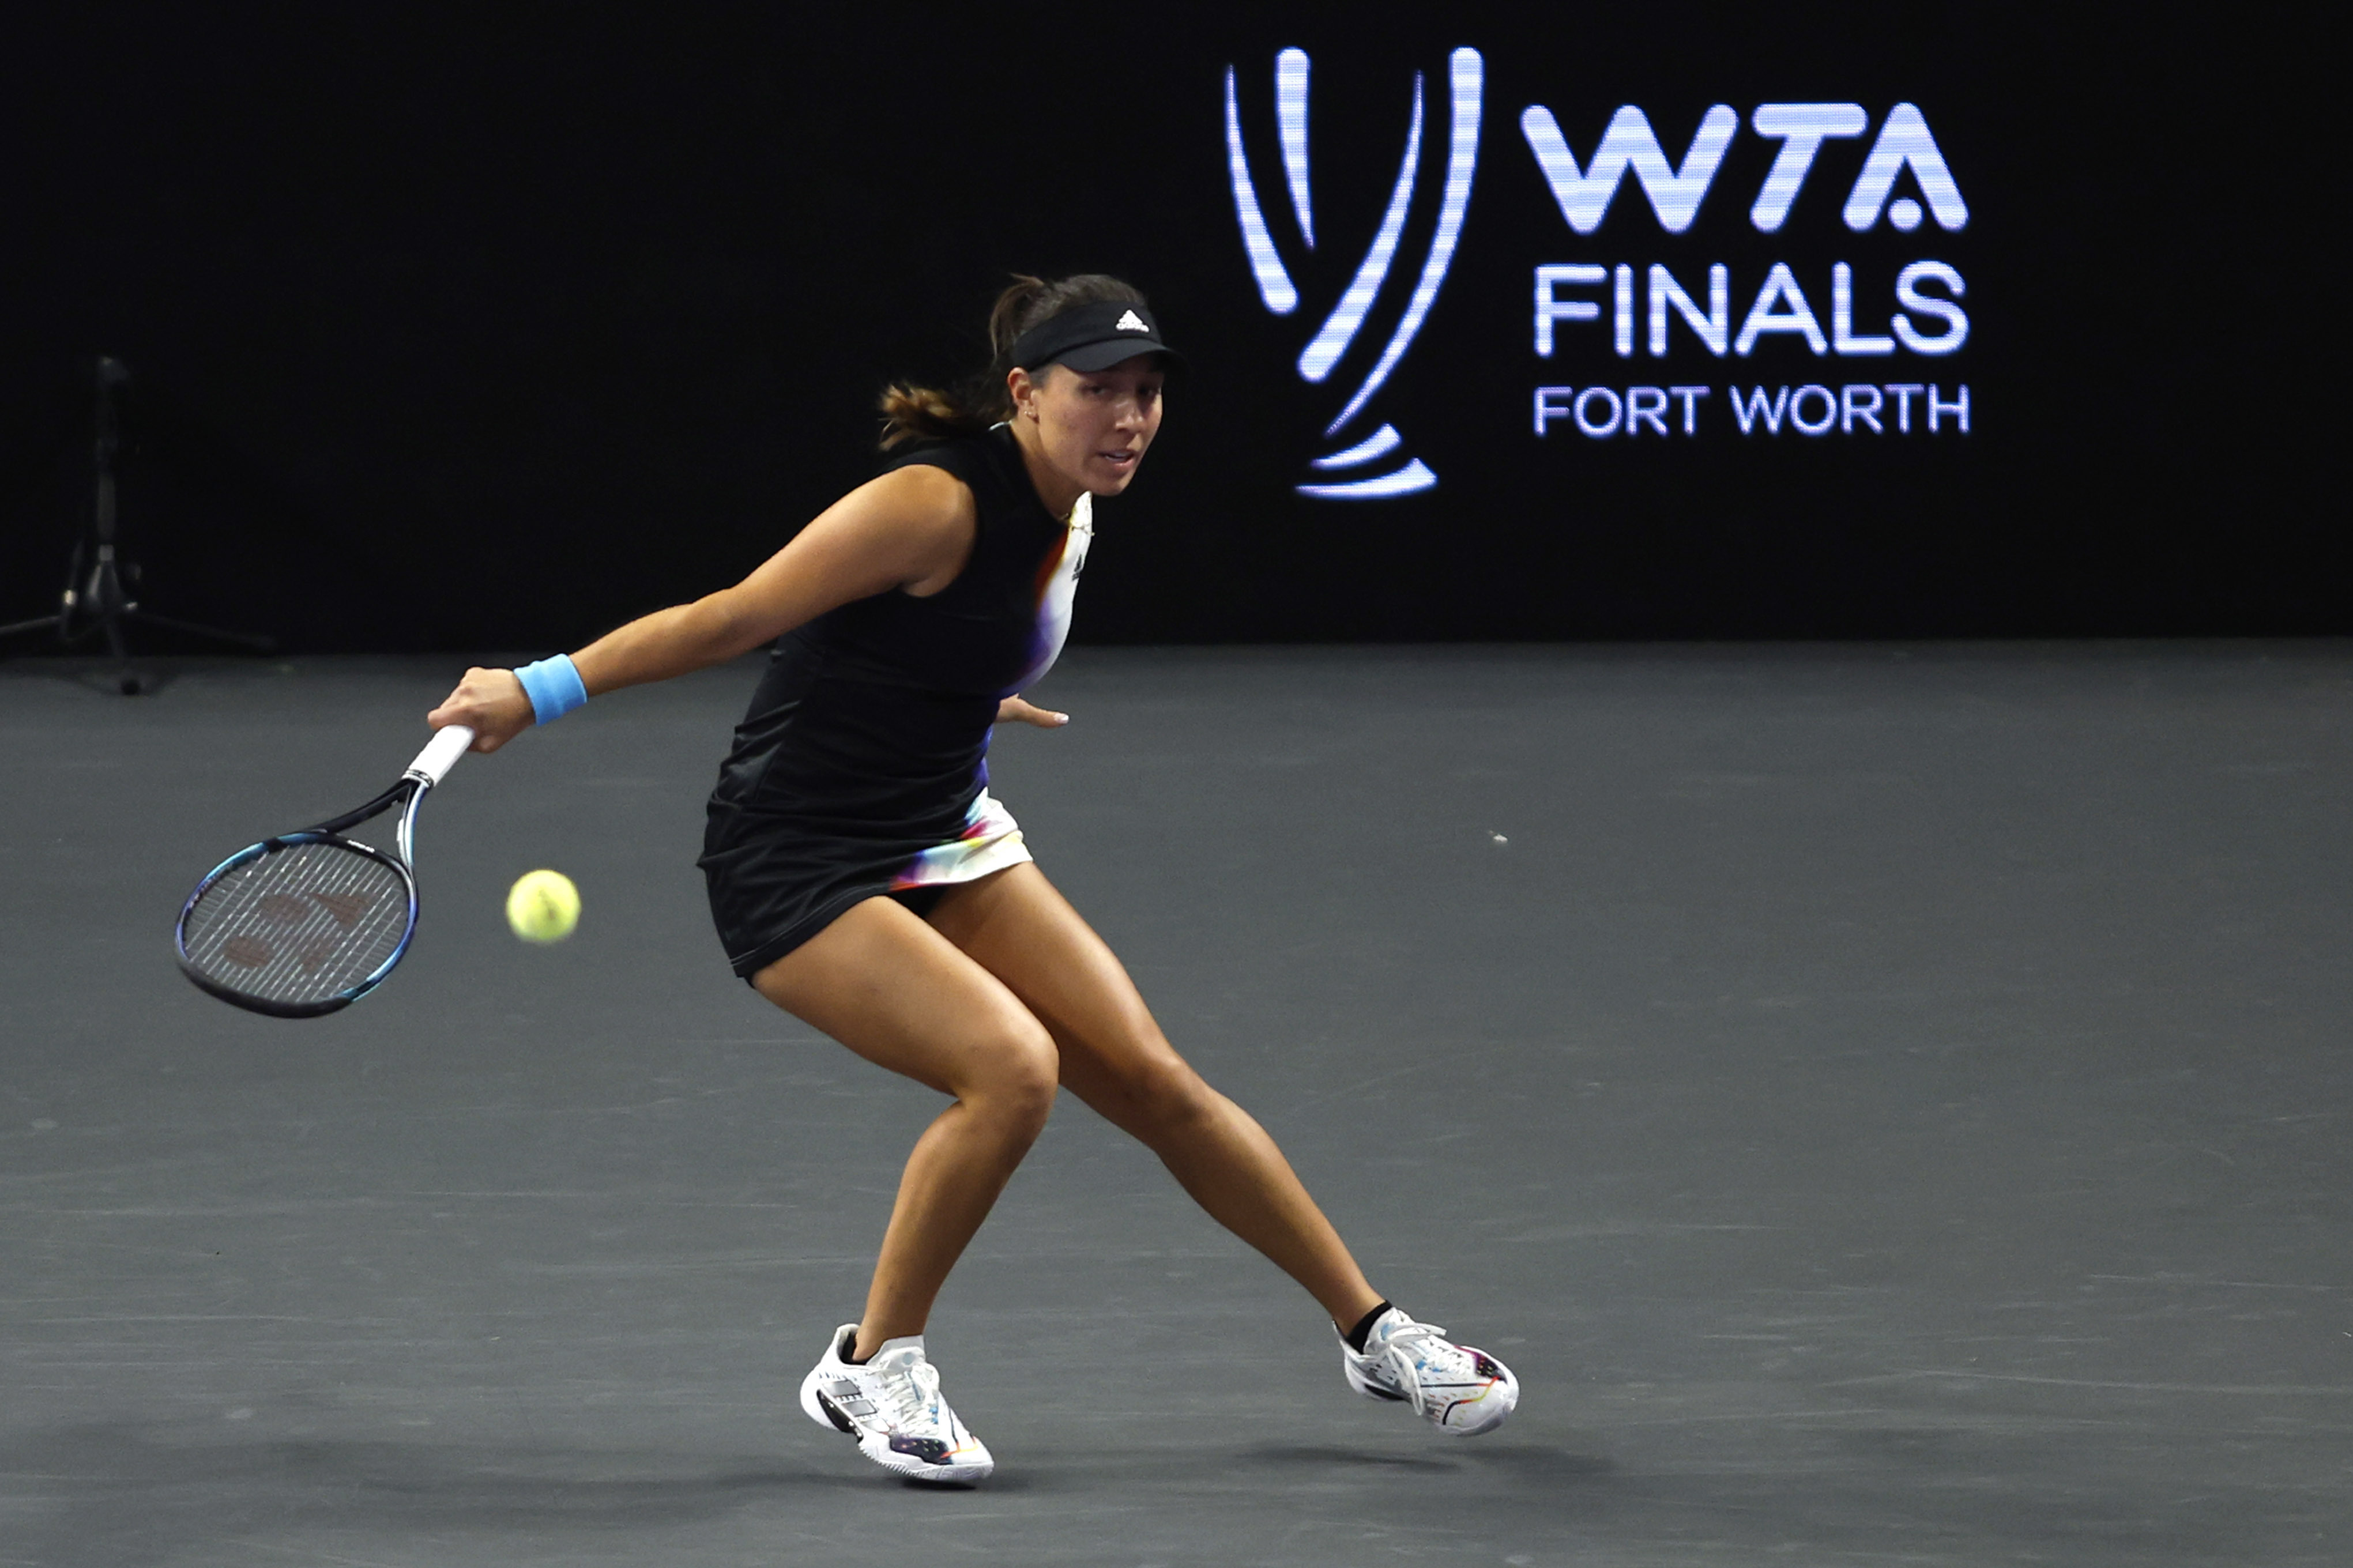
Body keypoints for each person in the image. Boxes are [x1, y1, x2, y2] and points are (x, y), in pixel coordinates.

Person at [426, 274, 1516, 1485]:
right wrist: (538, 688)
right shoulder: (930, 505)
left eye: (1147, 393)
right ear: (1023, 393)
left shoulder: (1080, 504)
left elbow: (915, 637)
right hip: (793, 855)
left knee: (1154, 1079)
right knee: (1010, 1070)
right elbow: (733, 618)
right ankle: (868, 1362)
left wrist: (952, 687)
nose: (1129, 418)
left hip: (940, 827)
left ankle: (1376, 1335)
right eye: (1098, 391)